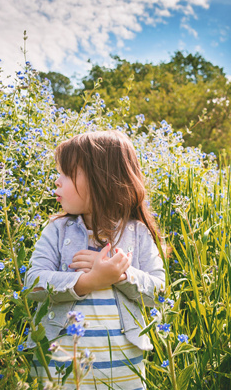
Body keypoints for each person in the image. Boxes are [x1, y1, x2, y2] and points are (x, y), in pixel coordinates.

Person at [25, 130, 166, 389]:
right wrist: (88, 281)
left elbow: (159, 293)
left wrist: (121, 276)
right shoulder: (57, 230)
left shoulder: (136, 232)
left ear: (100, 180)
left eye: (66, 174)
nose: (57, 181)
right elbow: (33, 284)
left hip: (123, 372)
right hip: (60, 370)